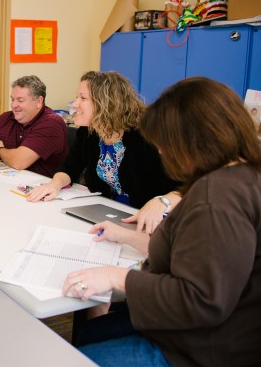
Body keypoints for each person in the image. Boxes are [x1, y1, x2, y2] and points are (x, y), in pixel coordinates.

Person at [62, 77, 261, 366]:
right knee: (92, 332)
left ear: (192, 141)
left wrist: (117, 277)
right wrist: (127, 236)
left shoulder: (216, 197)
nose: (162, 152)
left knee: (75, 355)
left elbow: (201, 300)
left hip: (203, 346)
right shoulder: (240, 176)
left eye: (165, 144)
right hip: (210, 329)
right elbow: (200, 252)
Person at [27, 71, 179, 233]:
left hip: (149, 223)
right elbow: (70, 167)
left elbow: (187, 188)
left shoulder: (146, 136)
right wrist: (55, 184)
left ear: (107, 103)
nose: (75, 104)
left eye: (83, 98)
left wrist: (162, 201)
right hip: (108, 214)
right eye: (77, 97)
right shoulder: (88, 133)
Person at [0, 75, 68, 177]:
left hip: (42, 187)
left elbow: (18, 162)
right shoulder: (5, 118)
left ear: (39, 101)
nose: (14, 105)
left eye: (20, 100)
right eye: (12, 99)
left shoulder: (52, 123)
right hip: (10, 179)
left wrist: (0, 149)